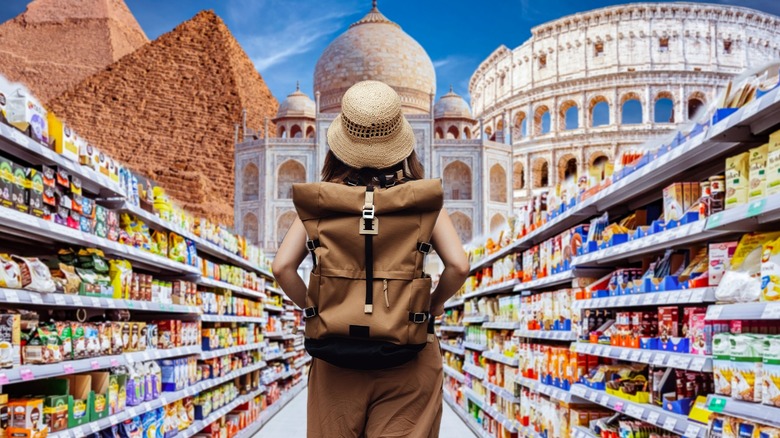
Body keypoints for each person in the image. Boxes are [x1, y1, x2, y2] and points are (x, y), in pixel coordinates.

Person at [272, 80, 469, 437]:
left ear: (339, 144)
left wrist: (317, 308)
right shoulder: (421, 202)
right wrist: (433, 307)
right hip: (408, 351)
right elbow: (458, 265)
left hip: (336, 357)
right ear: (401, 142)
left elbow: (282, 267)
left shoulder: (322, 202)